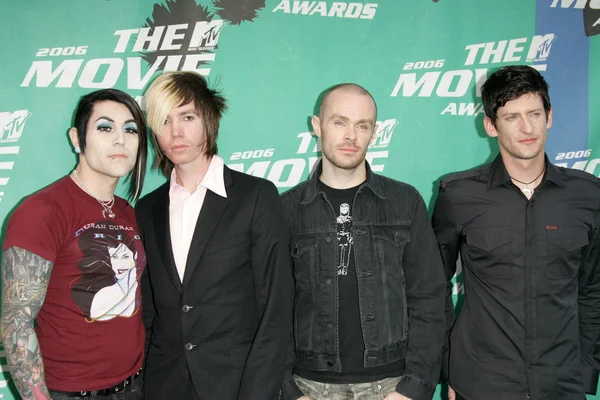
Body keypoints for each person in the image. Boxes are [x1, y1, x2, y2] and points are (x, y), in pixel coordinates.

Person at [432, 65, 600, 400]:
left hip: (561, 386)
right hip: (480, 385)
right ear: (491, 126)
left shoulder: (589, 195)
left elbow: (593, 291)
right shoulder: (458, 195)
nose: (527, 128)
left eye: (534, 113)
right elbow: (431, 289)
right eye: (511, 118)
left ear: (549, 116)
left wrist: (585, 372)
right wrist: (450, 370)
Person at [280, 83, 445, 400]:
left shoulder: (404, 202)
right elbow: (273, 310)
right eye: (339, 122)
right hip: (310, 387)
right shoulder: (286, 210)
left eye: (362, 125)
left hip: (391, 386)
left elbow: (430, 299)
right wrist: (287, 391)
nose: (350, 136)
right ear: (317, 126)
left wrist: (414, 387)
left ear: (375, 132)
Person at [137, 71, 292, 400]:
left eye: (187, 117)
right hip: (165, 386)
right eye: (164, 120)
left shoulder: (255, 197)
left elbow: (275, 308)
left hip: (237, 387)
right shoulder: (147, 210)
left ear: (209, 119)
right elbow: (149, 313)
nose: (176, 132)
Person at [1, 88, 148, 399]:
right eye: (105, 127)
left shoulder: (128, 211)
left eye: (130, 129)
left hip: (134, 386)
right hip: (69, 393)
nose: (120, 139)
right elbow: (16, 323)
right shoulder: (43, 210)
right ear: (77, 138)